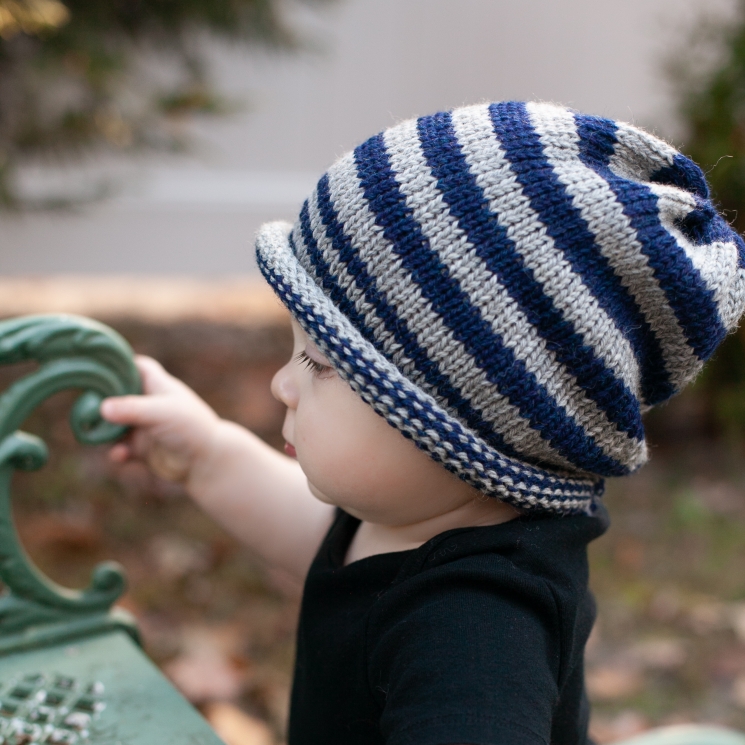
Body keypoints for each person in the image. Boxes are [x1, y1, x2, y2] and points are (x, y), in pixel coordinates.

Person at [101, 101, 745, 745]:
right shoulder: (415, 511)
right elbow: (324, 545)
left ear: (467, 430)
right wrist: (207, 455)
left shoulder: (477, 634)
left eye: (321, 363)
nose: (281, 382)